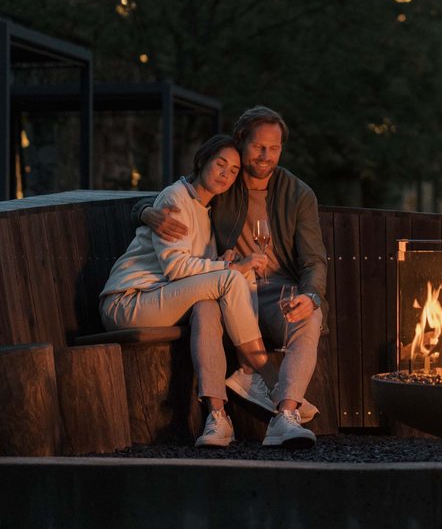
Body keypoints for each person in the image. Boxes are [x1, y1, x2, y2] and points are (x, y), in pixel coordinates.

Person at [136, 105, 326, 448]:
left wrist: (310, 296)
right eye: (258, 146)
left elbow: (314, 260)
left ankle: (285, 415)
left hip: (275, 292)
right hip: (228, 287)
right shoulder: (226, 178)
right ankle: (217, 418)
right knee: (204, 307)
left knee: (311, 315)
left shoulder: (298, 194)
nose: (266, 156)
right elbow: (180, 193)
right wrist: (146, 212)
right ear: (241, 142)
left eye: (274, 148)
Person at [100, 134, 278, 448]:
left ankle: (217, 417)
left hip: (160, 297)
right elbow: (176, 268)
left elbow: (193, 266)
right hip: (128, 300)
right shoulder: (176, 197)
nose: (225, 174)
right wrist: (229, 267)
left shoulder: (207, 211)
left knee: (207, 305)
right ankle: (262, 375)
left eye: (233, 170)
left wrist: (223, 260)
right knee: (233, 277)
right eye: (220, 164)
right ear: (202, 161)